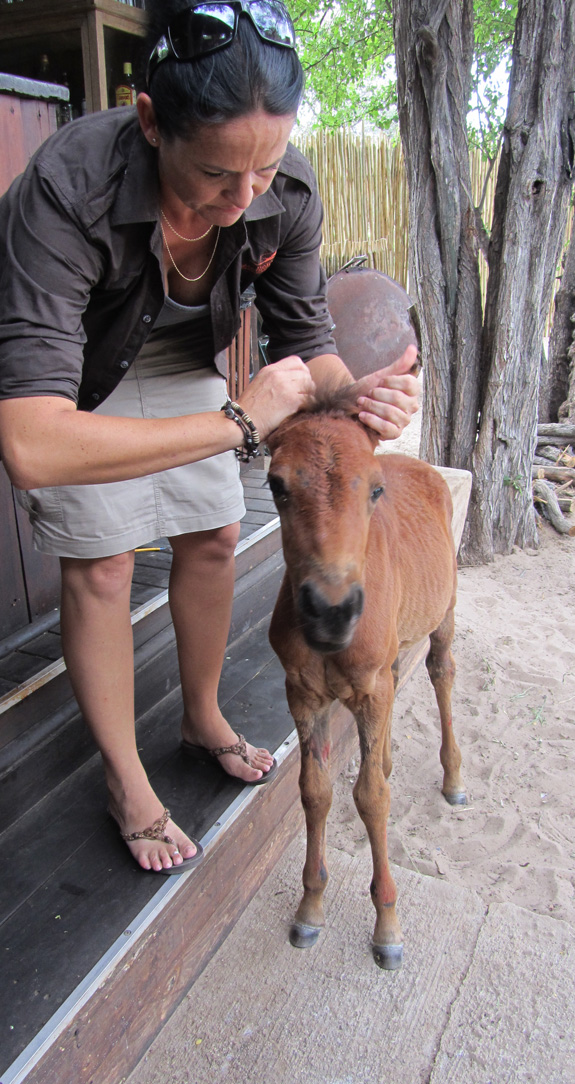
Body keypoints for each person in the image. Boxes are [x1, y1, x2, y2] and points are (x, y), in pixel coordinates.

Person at [0, 0, 420, 875]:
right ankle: (125, 778)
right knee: (107, 557)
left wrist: (360, 393)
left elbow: (308, 342)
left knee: (216, 531)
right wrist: (240, 418)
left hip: (181, 352)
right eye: (217, 174)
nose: (241, 199)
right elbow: (34, 444)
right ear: (152, 121)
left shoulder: (285, 188)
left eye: (263, 170)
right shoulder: (64, 189)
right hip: (71, 376)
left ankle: (200, 715)